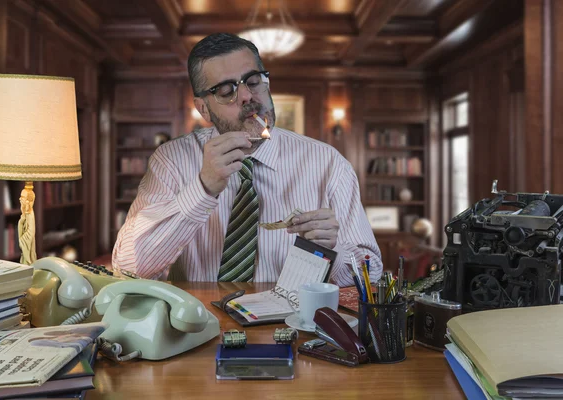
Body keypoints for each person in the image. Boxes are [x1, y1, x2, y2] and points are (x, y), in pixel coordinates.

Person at [112, 33, 382, 286]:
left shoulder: (329, 163)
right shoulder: (171, 161)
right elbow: (128, 269)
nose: (246, 96)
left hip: (294, 328)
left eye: (253, 81)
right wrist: (202, 188)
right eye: (226, 90)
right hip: (198, 329)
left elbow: (371, 275)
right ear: (203, 108)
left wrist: (334, 249)